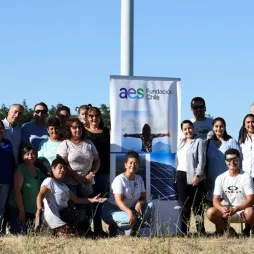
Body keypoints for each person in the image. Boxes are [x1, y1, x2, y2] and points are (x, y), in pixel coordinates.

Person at [36, 158, 105, 237]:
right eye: (60, 167)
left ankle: (80, 231)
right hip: (53, 218)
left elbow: (76, 199)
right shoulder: (49, 181)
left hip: (63, 215)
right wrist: (39, 207)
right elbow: (40, 195)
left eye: (64, 168)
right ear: (53, 169)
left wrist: (92, 200)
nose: (62, 170)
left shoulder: (64, 186)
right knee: (71, 236)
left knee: (81, 215)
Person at [102, 151, 154, 236]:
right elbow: (118, 201)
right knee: (128, 219)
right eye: (130, 163)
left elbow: (143, 197)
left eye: (136, 163)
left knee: (151, 206)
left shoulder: (139, 179)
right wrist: (130, 212)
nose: (133, 166)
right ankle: (114, 226)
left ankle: (134, 231)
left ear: (139, 164)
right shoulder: (119, 179)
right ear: (125, 164)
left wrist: (139, 203)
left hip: (130, 209)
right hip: (113, 210)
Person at [207, 149, 254, 236]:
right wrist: (222, 209)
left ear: (239, 160)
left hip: (242, 211)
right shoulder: (220, 178)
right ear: (225, 162)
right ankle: (230, 231)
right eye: (229, 160)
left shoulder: (246, 177)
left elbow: (251, 199)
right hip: (227, 211)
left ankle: (252, 231)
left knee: (250, 212)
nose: (232, 162)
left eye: (234, 159)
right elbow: (215, 200)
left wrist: (236, 209)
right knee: (210, 212)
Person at [176, 120, 206, 235]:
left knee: (197, 205)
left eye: (189, 128)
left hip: (194, 176)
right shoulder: (181, 143)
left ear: (193, 128)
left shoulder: (199, 141)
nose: (187, 131)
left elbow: (201, 161)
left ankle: (200, 230)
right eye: (185, 129)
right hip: (180, 175)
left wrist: (198, 175)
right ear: (182, 131)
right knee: (185, 205)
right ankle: (184, 231)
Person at [8, 146, 45, 234]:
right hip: (19, 209)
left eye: (33, 154)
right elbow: (17, 192)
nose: (30, 156)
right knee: (21, 235)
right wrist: (21, 211)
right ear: (22, 156)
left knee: (31, 236)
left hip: (31, 211)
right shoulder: (20, 169)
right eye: (27, 154)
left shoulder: (38, 171)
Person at [85, 106, 110, 236]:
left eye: (96, 115)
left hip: (103, 171)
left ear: (100, 117)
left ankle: (99, 229)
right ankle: (87, 229)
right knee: (87, 201)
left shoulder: (106, 131)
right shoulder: (84, 132)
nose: (94, 118)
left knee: (99, 201)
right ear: (87, 118)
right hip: (88, 172)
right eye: (91, 116)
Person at [206, 117, 240, 202]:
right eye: (216, 126)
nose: (219, 128)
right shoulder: (208, 143)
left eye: (221, 126)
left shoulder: (231, 141)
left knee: (227, 205)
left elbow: (238, 161)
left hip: (228, 180)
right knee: (213, 207)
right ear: (213, 127)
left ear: (225, 127)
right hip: (212, 181)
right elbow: (205, 162)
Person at [239, 113, 254, 235]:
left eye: (252, 122)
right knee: (247, 202)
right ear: (244, 125)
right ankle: (247, 228)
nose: (250, 124)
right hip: (246, 176)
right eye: (248, 122)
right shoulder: (241, 141)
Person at [0, 121, 14, 233]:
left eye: (1, 128)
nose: (0, 130)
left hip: (5, 180)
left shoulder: (7, 143)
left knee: (2, 207)